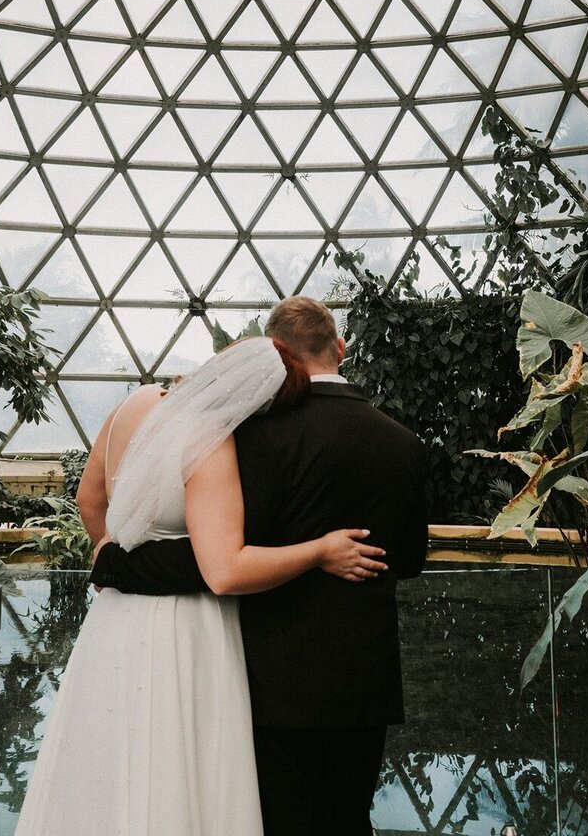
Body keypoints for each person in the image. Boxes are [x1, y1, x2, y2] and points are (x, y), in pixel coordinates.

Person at [15, 335, 386, 836]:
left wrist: (111, 548)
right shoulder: (209, 439)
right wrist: (320, 551)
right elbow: (224, 570)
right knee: (176, 767)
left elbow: (88, 497)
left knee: (102, 763)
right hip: (183, 627)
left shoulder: (137, 402)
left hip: (111, 624)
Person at [92, 295, 428, 836]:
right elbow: (409, 559)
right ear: (340, 348)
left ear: (278, 354)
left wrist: (114, 565)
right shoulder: (404, 444)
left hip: (274, 682)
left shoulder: (255, 437)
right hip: (363, 683)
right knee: (349, 819)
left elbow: (214, 559)